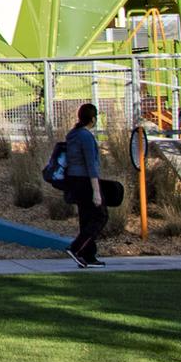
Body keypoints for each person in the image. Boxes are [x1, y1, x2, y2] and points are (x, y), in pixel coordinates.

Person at [64, 102, 107, 268]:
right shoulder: (86, 137)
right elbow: (91, 165)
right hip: (85, 180)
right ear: (93, 119)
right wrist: (96, 191)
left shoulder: (72, 134)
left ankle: (89, 255)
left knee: (86, 217)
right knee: (100, 216)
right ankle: (77, 248)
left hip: (74, 180)